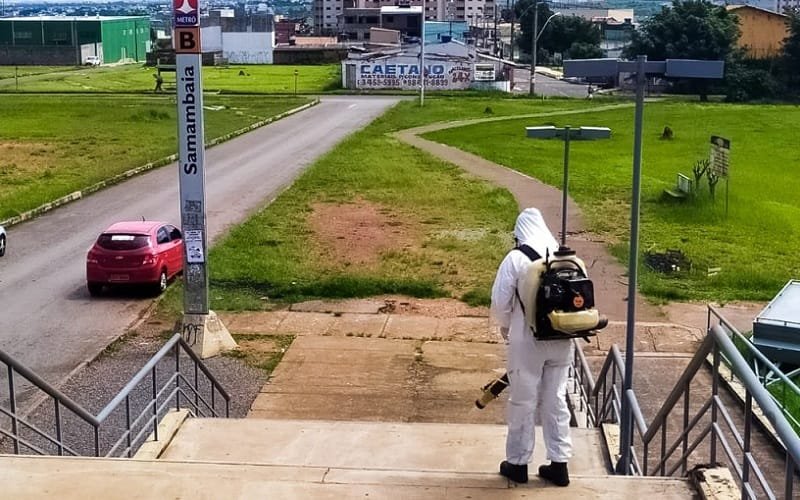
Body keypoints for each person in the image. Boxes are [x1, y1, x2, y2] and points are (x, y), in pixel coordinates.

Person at [490, 207, 573, 487]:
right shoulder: (565, 257)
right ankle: (559, 465)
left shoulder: (516, 258)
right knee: (556, 400)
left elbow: (500, 302)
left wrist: (506, 327)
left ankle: (517, 463)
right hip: (561, 340)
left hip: (527, 342)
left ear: (520, 233)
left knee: (523, 401)